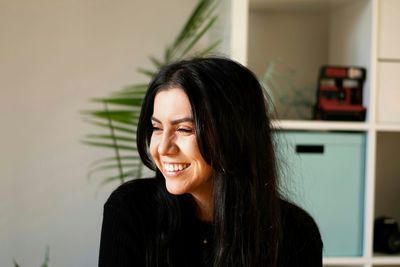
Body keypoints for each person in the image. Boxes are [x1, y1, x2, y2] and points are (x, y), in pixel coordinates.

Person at [98, 57, 323, 266]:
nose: (163, 148)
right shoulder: (131, 210)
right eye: (157, 127)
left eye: (184, 129)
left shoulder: (295, 232)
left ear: (233, 135)